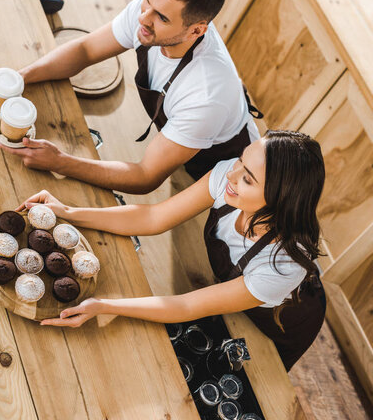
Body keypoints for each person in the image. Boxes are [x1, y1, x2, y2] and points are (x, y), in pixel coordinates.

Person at [18, 130, 326, 371]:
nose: (231, 176)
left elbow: (186, 307)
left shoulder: (282, 267)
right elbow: (153, 218)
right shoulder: (228, 177)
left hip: (282, 320)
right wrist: (67, 210)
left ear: (278, 198)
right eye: (241, 162)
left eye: (247, 178)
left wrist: (104, 306)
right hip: (235, 290)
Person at [0, 0, 261, 194]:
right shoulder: (154, 8)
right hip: (191, 123)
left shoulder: (205, 96)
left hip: (222, 159)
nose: (143, 18)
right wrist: (20, 78)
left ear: (196, 31)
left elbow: (146, 176)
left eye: (161, 18)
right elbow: (86, 50)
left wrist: (60, 162)